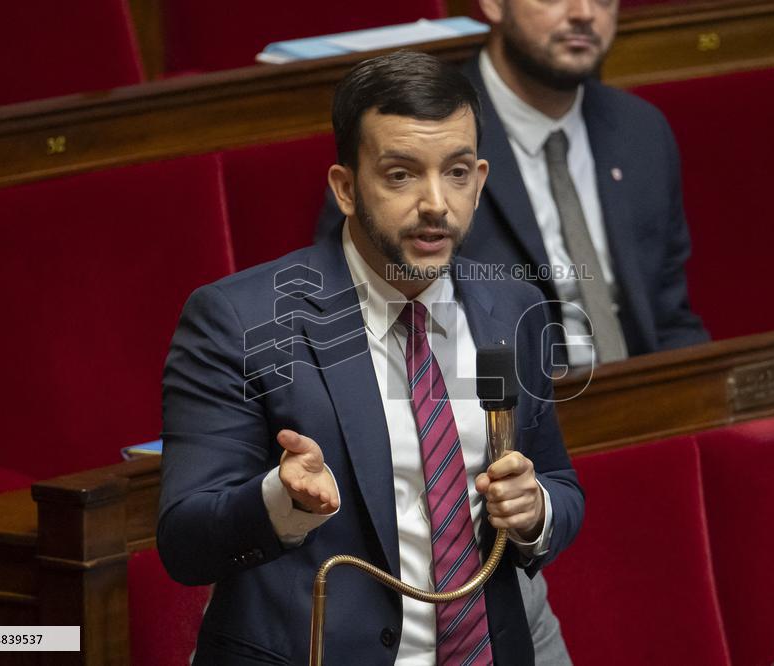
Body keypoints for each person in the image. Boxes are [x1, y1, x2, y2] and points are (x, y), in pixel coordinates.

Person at [158, 51, 584, 665]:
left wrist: (534, 507)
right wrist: (283, 500)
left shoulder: (510, 310)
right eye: (401, 175)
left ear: (480, 179)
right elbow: (184, 541)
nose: (436, 203)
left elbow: (560, 484)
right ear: (346, 188)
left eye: (457, 172)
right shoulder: (240, 320)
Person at [318, 0, 708, 368]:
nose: (584, 13)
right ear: (492, 4)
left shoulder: (641, 130)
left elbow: (670, 318)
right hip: (488, 416)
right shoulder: (420, 137)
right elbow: (361, 325)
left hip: (642, 401)